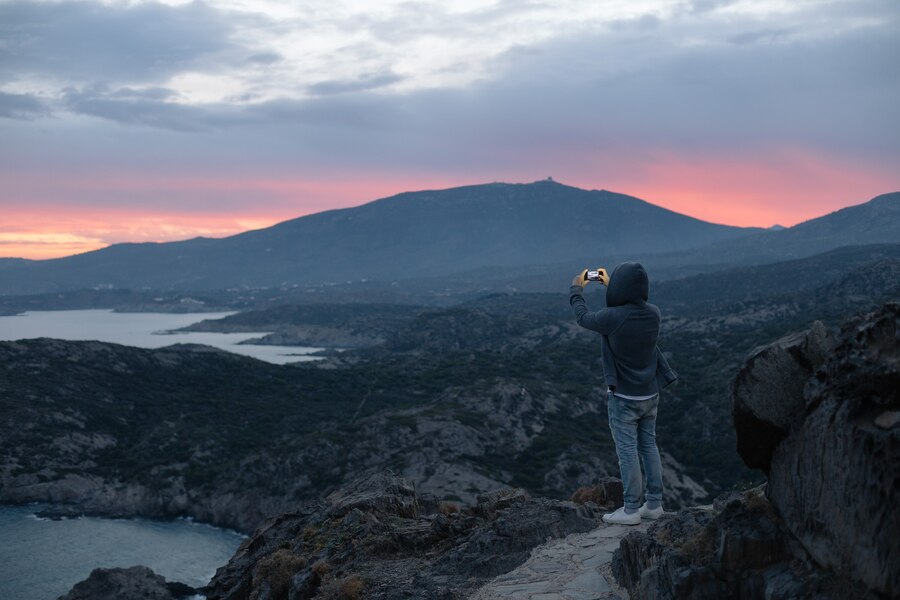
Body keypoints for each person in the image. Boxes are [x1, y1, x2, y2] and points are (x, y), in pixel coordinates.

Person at [569, 262, 678, 525]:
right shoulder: (654, 314)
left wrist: (576, 288)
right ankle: (654, 504)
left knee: (627, 451)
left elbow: (583, 317)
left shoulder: (612, 318)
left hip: (624, 399)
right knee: (649, 446)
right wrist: (614, 285)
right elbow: (631, 302)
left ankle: (630, 510)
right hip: (650, 395)